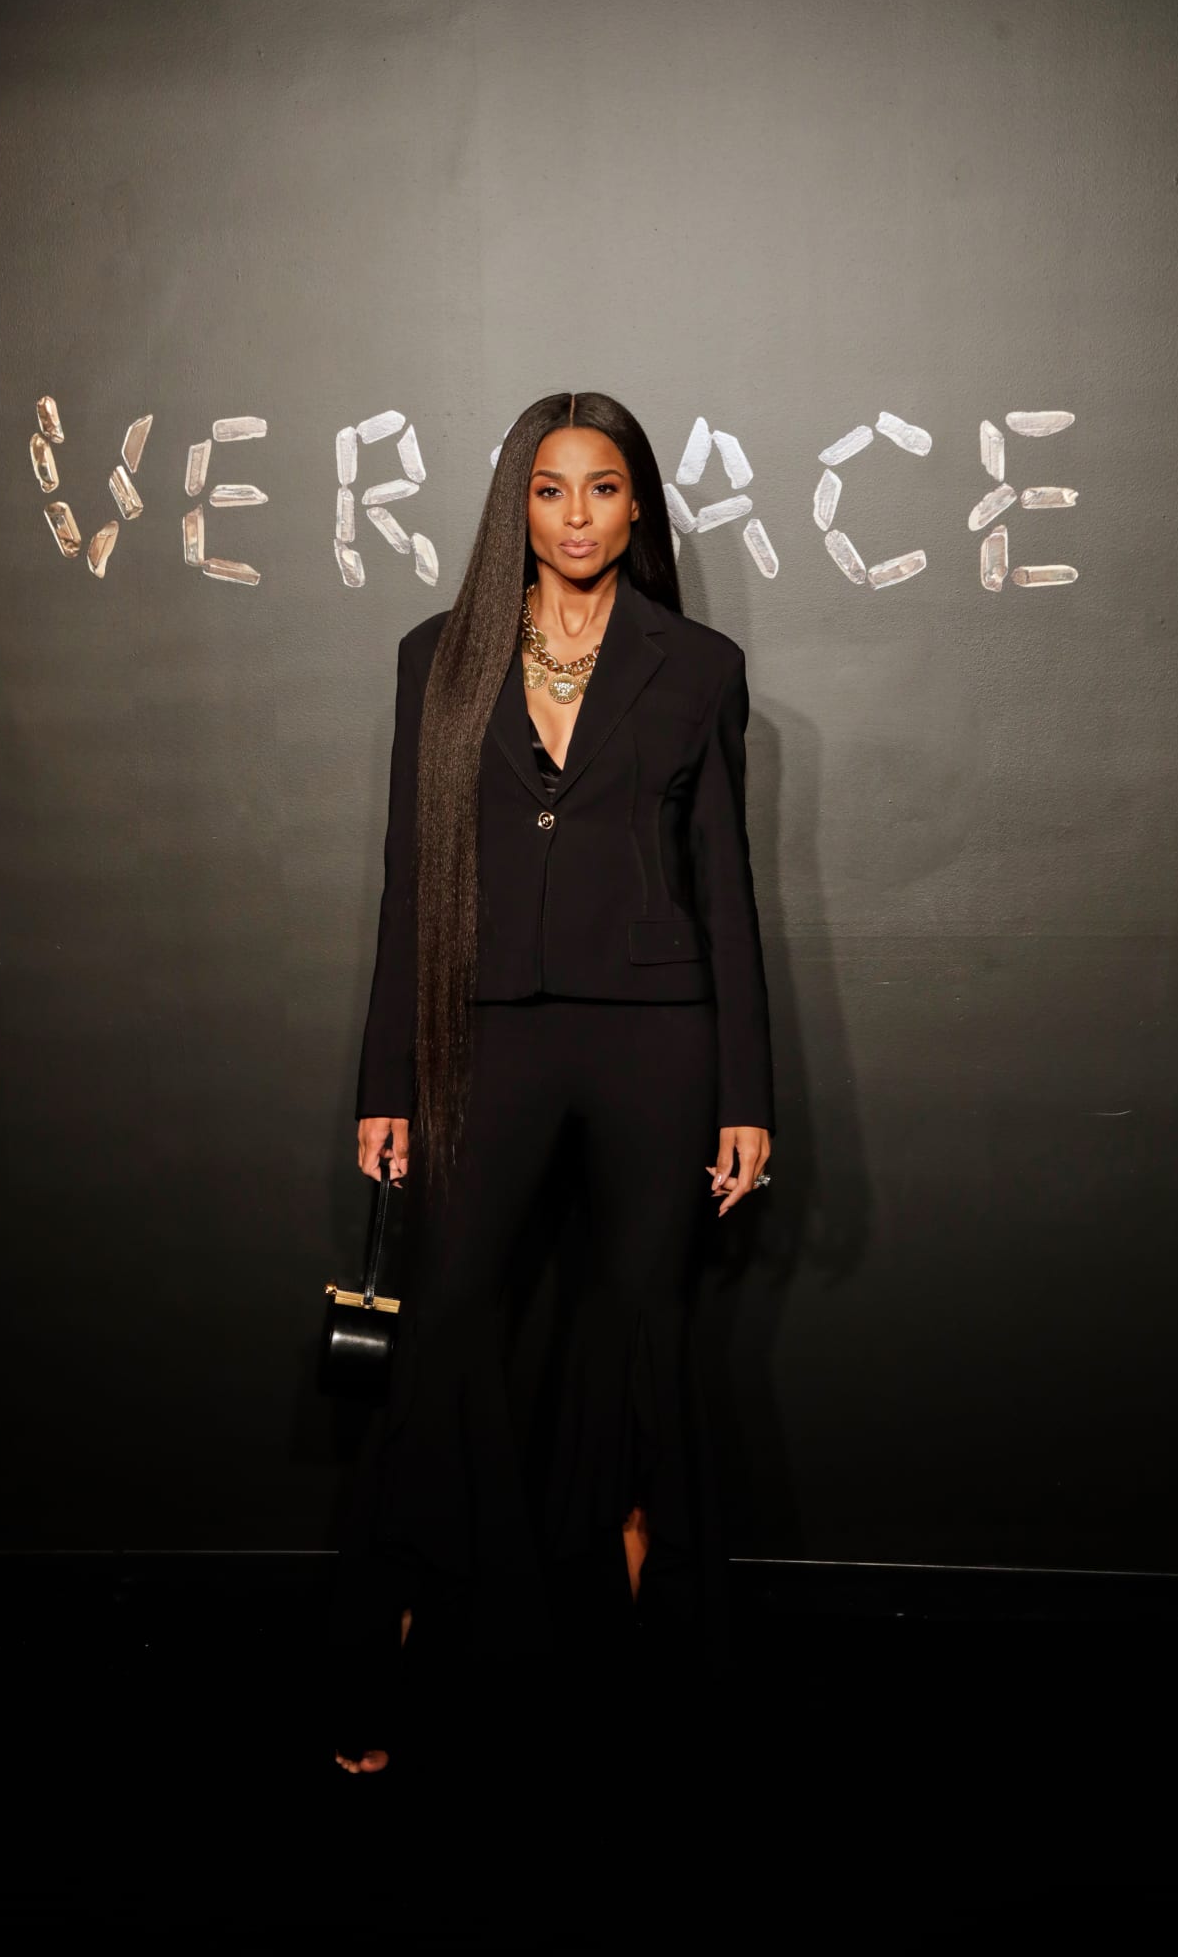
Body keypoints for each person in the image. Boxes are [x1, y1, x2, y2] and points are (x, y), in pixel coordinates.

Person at [333, 391, 775, 1772]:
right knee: (448, 1323)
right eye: (548, 489)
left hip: (656, 1037)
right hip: (483, 1034)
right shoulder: (438, 655)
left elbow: (725, 885)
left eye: (602, 488)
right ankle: (392, 1657)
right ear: (514, 507)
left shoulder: (698, 665)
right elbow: (411, 877)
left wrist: (745, 1094)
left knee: (640, 1334)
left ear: (638, 506)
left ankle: (647, 1678)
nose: (576, 515)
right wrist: (387, 1079)